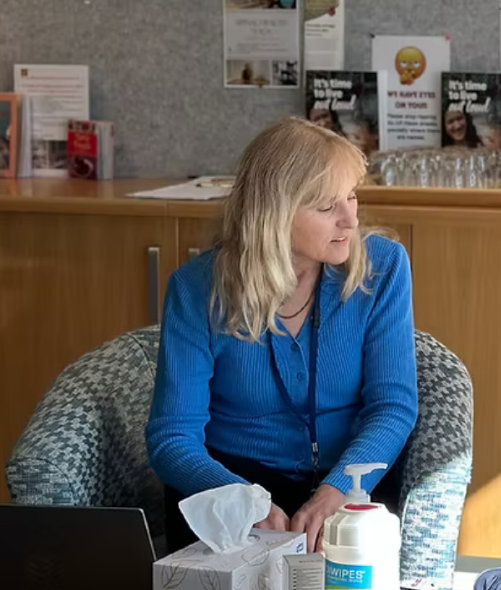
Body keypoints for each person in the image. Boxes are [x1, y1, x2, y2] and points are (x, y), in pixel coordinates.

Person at [147, 117, 417, 554]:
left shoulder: (383, 268)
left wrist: (338, 491)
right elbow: (171, 438)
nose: (350, 220)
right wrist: (241, 500)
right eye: (328, 207)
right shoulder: (196, 288)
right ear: (274, 212)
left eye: (351, 197)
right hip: (230, 489)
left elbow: (393, 406)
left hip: (350, 481)